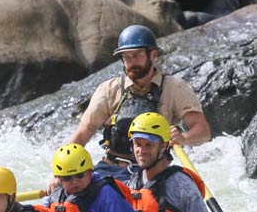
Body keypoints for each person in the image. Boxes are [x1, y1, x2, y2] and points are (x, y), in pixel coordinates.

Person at [67, 24, 211, 182]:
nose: (131, 62)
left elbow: (203, 131)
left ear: (153, 55)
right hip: (111, 169)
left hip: (153, 173)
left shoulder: (175, 88)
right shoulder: (109, 89)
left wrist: (183, 138)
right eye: (126, 57)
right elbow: (82, 133)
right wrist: (63, 172)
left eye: (136, 55)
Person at [127, 112, 216, 212]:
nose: (141, 150)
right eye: (138, 144)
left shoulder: (181, 184)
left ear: (163, 146)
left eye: (148, 145)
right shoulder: (133, 182)